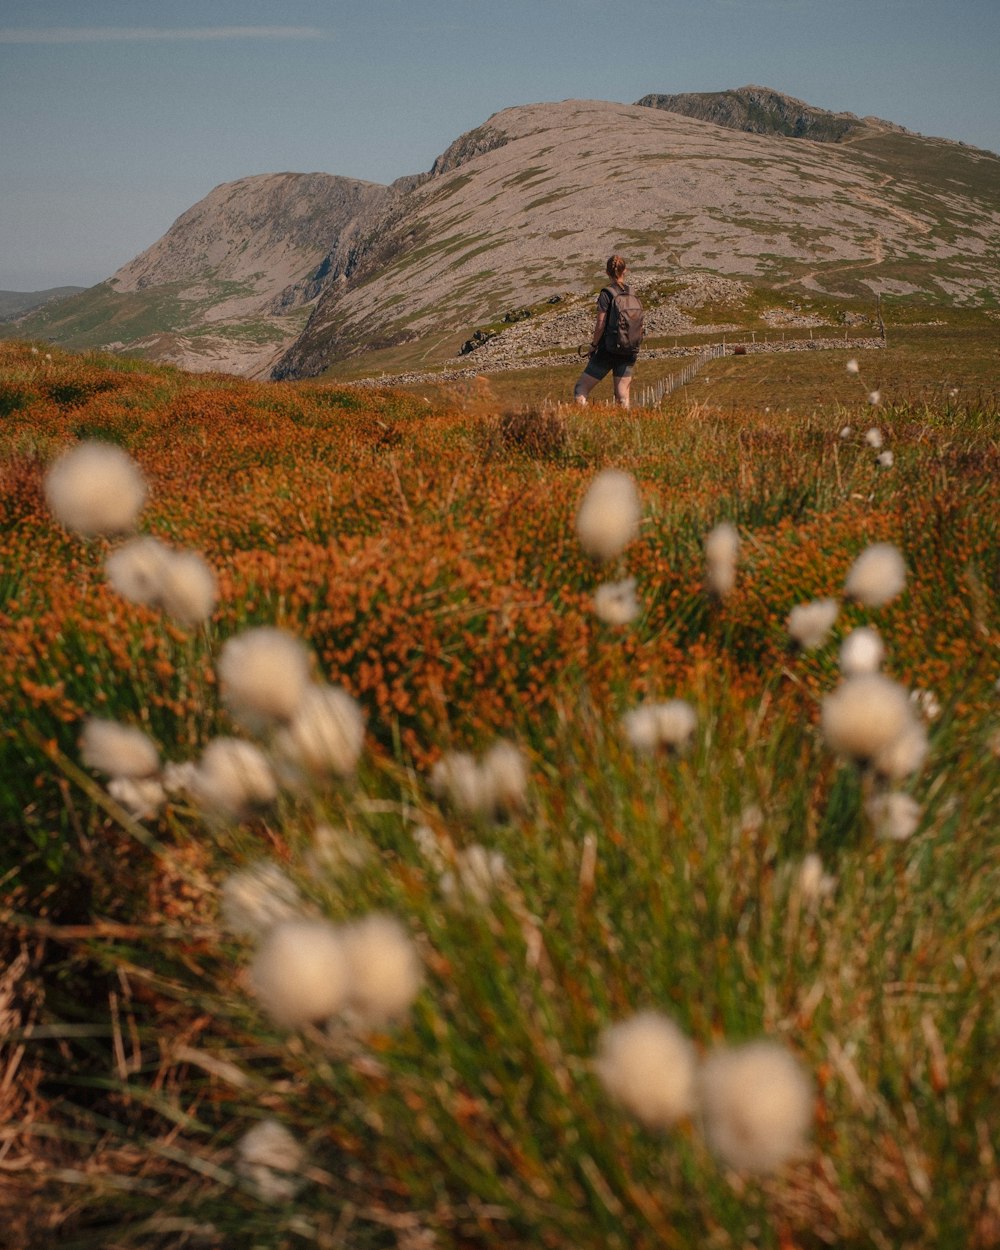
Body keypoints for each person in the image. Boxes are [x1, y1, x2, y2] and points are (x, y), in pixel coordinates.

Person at [573, 255, 639, 410]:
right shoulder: (632, 293)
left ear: (606, 272)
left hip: (608, 350)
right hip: (629, 349)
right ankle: (625, 429)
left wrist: (593, 345)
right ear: (625, 271)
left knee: (580, 389)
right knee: (622, 396)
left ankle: (583, 425)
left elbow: (600, 325)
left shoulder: (606, 294)